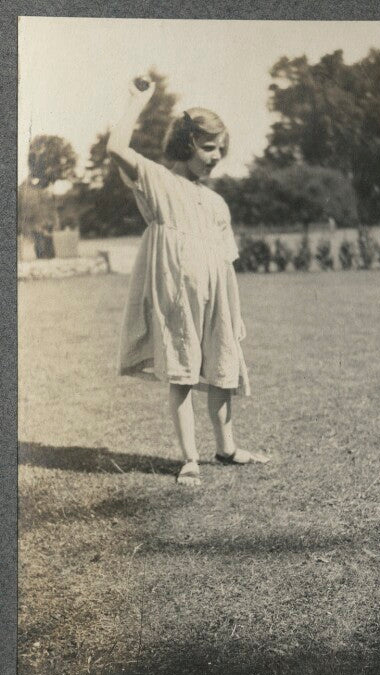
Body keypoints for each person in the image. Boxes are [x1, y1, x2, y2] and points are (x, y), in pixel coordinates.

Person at [107, 75, 269, 485]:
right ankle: (189, 459)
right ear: (187, 142)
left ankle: (227, 448)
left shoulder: (215, 202)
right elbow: (116, 148)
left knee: (223, 367)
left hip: (217, 298)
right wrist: (137, 101)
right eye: (209, 147)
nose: (216, 157)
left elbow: (226, 262)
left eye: (221, 150)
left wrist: (234, 313)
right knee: (181, 371)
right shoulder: (158, 181)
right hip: (177, 295)